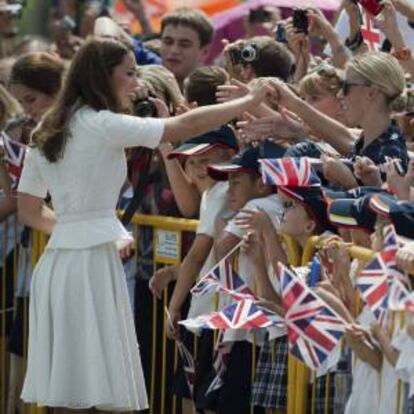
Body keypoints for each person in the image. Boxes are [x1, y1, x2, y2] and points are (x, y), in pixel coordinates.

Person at [16, 37, 269, 413]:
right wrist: (249, 101)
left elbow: (31, 212)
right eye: (129, 73)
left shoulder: (50, 129)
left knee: (71, 387)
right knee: (92, 388)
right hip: (88, 266)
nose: (136, 82)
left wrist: (82, 231)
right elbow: (181, 125)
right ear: (104, 77)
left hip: (58, 266)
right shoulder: (100, 123)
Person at [160, 7, 214, 88]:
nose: (174, 50)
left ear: (204, 52)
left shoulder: (219, 95)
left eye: (184, 44)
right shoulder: (144, 90)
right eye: (168, 42)